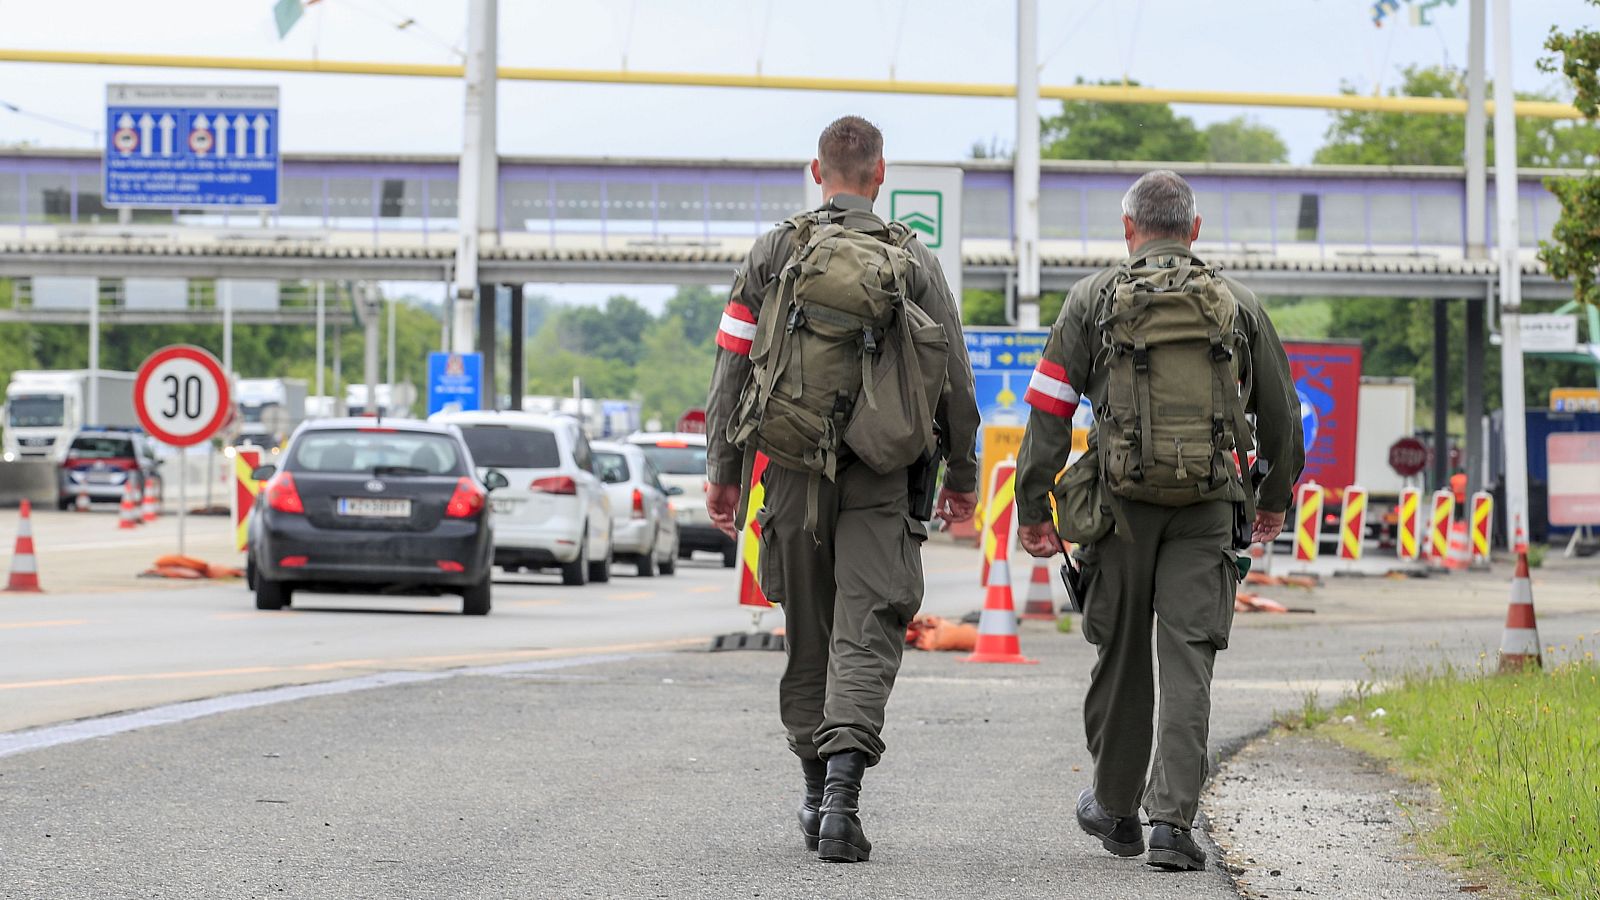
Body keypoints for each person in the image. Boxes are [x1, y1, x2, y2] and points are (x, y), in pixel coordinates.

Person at [703, 115, 980, 864]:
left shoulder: (775, 251)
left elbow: (731, 364)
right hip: (884, 475)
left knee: (809, 629)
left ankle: (810, 786)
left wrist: (725, 473)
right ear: (880, 174)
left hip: (791, 465)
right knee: (870, 626)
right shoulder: (912, 258)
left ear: (815, 170)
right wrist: (963, 474)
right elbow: (953, 371)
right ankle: (841, 802)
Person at [1014, 170, 1304, 872]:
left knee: (1119, 657)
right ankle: (1173, 823)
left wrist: (1034, 506)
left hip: (1117, 506)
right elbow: (1281, 414)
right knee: (1188, 660)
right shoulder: (1236, 303)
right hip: (1206, 509)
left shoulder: (1092, 298)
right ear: (1194, 230)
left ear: (1128, 230)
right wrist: (1272, 499)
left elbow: (1050, 409)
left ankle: (1115, 809)